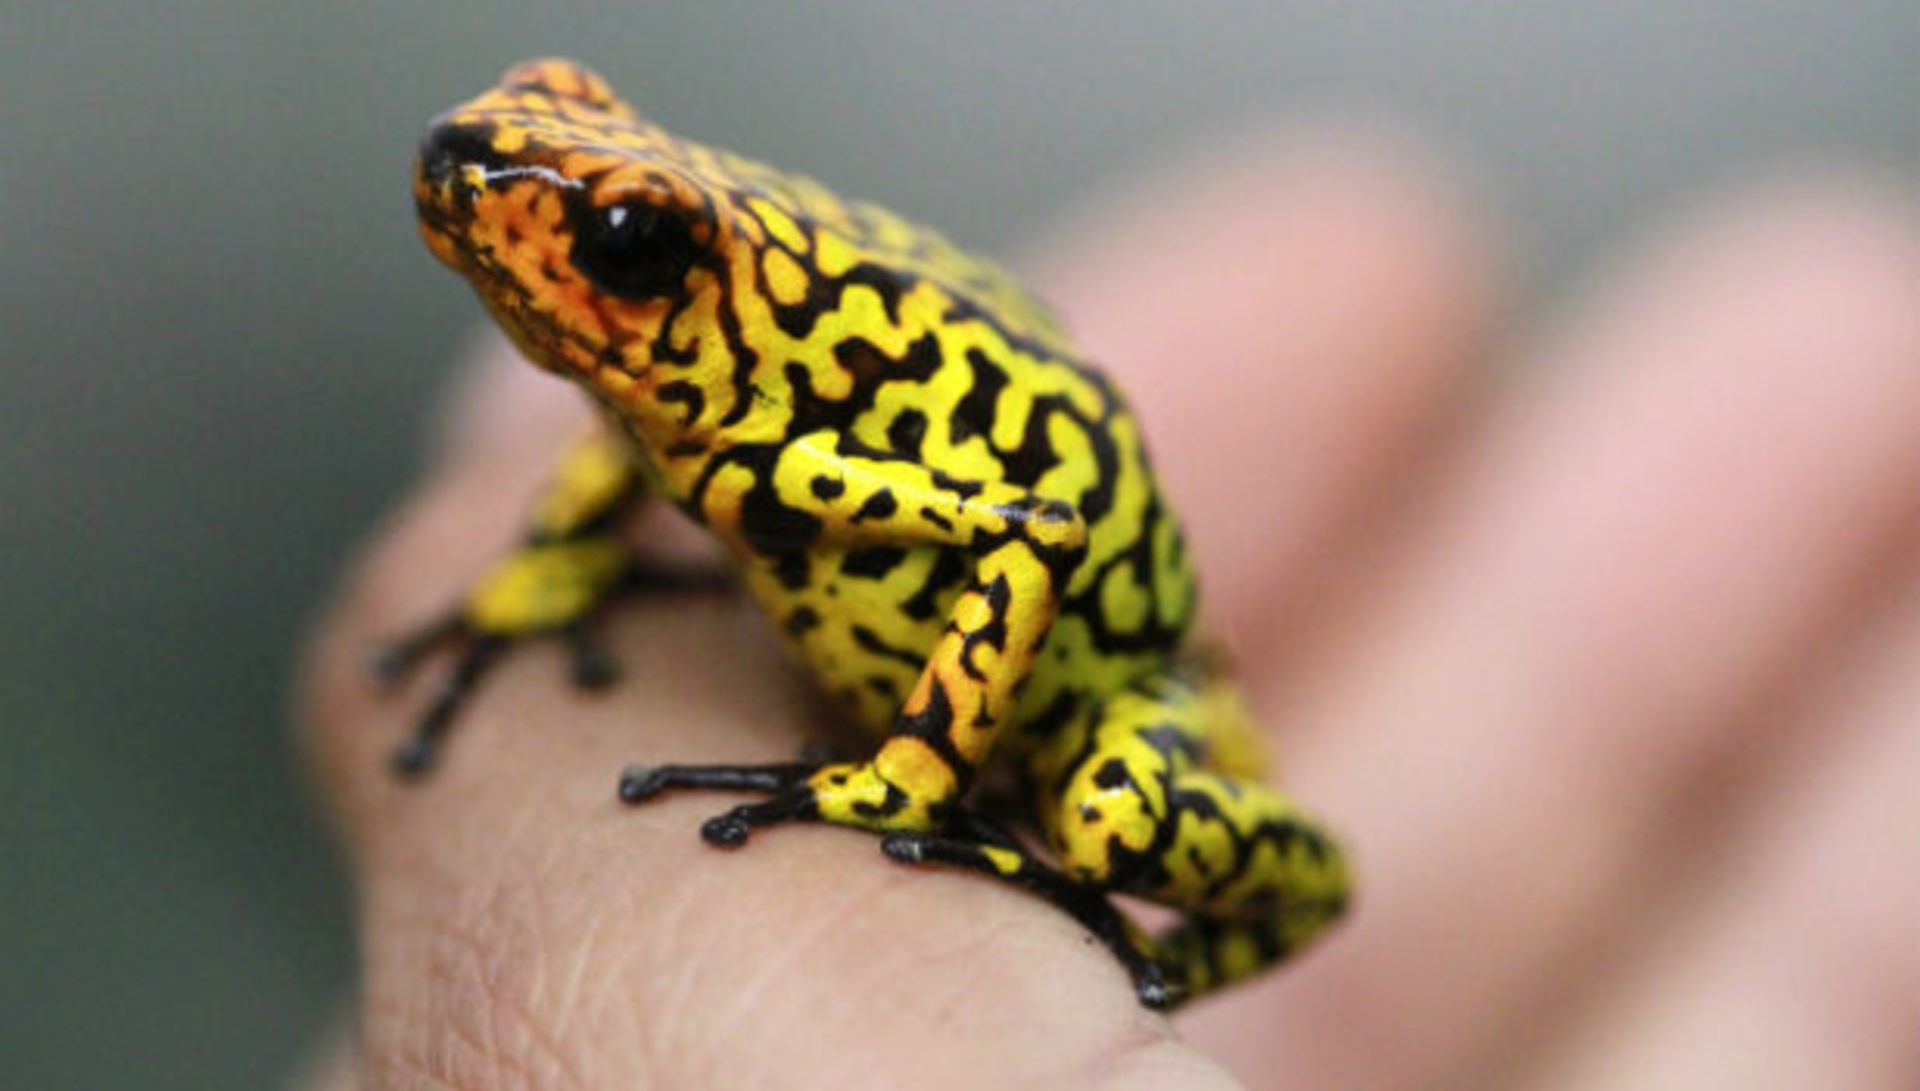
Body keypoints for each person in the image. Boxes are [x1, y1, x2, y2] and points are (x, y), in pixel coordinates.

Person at [298, 131, 1916, 1090]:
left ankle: (1183, 913)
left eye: (626, 240)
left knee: (1127, 808)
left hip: (1113, 694)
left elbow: (1023, 536)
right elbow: (636, 428)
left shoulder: (783, 423)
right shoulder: (693, 406)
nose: (513, 208)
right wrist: (554, 562)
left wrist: (912, 779)